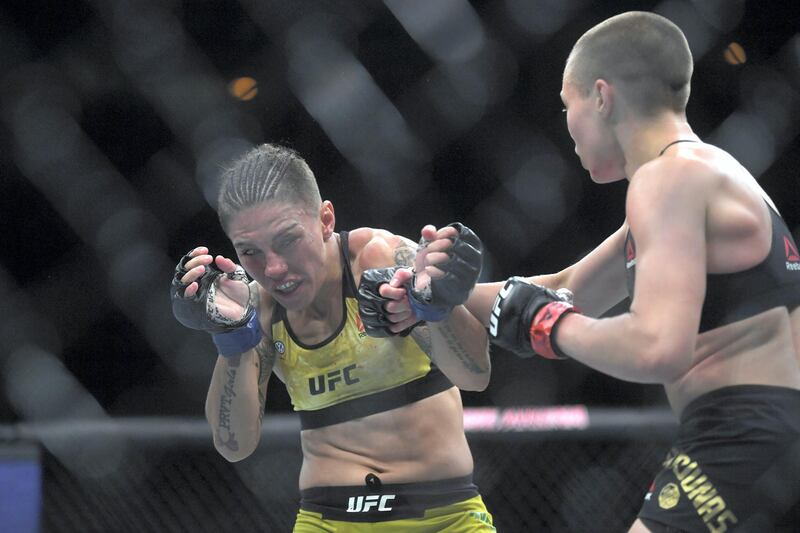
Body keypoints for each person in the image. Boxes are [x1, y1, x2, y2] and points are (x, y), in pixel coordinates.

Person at [408, 11, 800, 533]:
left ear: (601, 96)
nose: (567, 131)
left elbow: (659, 346)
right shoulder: (698, 175)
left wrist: (551, 326)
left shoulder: (667, 181)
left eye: (567, 107)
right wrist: (444, 293)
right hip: (754, 434)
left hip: (748, 431)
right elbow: (567, 289)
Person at [169, 143, 495, 532]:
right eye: (250, 251)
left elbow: (476, 376)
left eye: (288, 240)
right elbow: (233, 445)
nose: (274, 268)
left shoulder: (383, 261)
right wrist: (232, 340)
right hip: (328, 521)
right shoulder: (258, 309)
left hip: (443, 517)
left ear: (325, 220)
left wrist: (435, 308)